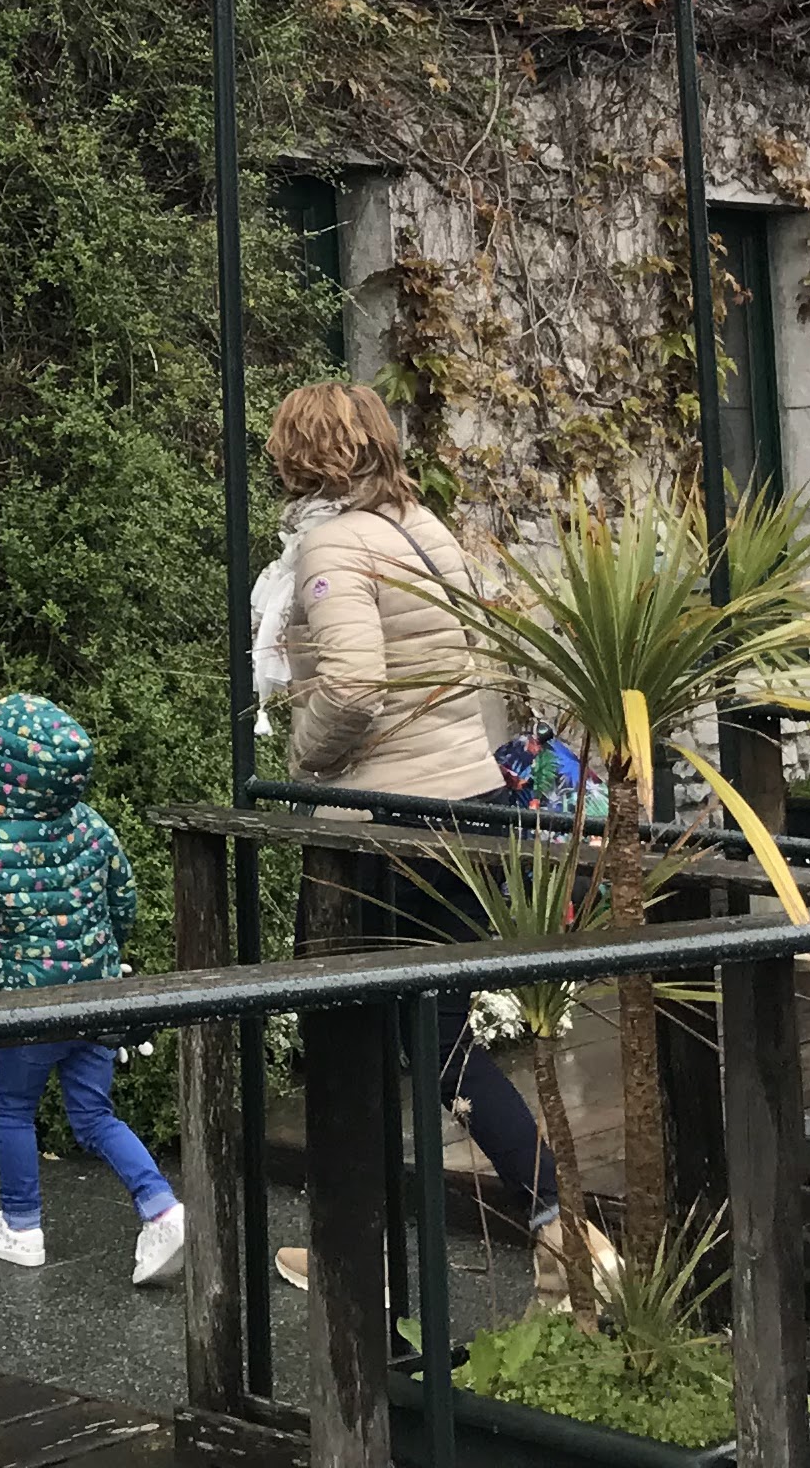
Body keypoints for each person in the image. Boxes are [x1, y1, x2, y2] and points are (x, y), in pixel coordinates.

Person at [264, 377, 614, 1310]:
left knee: (347, 1034)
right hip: (464, 804)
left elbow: (352, 687)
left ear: (302, 455)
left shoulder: (334, 542)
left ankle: (355, 1254)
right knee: (440, 1035)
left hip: (381, 828)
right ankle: (563, 1229)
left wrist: (301, 755)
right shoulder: (423, 527)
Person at [0, 690, 186, 1285]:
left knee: (13, 1110)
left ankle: (21, 1226)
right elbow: (124, 900)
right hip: (95, 999)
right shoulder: (93, 826)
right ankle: (162, 1210)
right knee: (95, 1115)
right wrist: (102, 957)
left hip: (26, 1010)